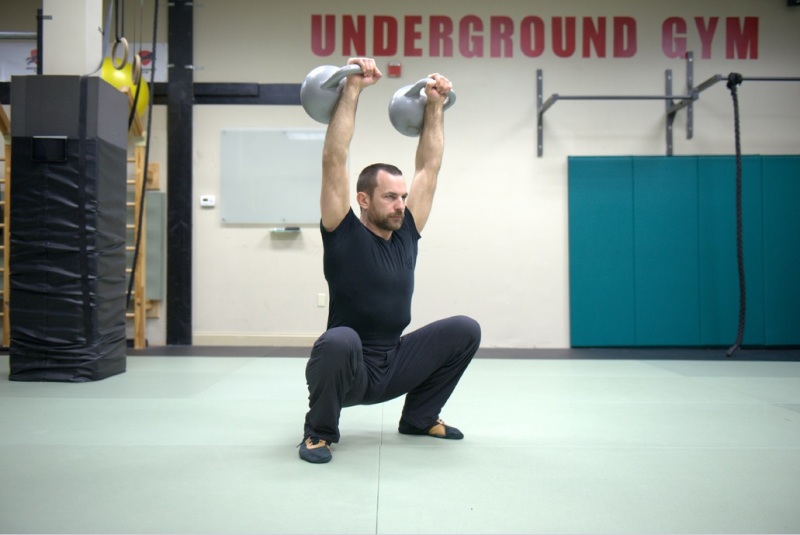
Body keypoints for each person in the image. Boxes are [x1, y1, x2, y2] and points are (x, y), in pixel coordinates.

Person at [299, 57, 481, 464]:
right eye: (390, 197)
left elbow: (428, 167)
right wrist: (353, 89)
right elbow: (334, 159)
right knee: (338, 338)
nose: (401, 205)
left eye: (402, 196)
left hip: (395, 363)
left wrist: (435, 105)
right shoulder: (342, 231)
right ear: (363, 200)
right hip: (351, 369)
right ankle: (319, 432)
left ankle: (419, 417)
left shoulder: (406, 235)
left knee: (465, 330)